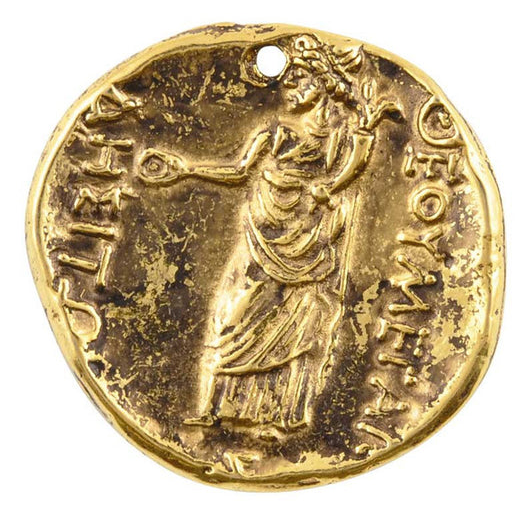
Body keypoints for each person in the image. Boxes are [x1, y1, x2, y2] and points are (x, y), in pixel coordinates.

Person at [138, 34, 402, 438]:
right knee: (231, 314)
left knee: (297, 321)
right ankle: (213, 408)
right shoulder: (274, 131)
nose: (289, 88)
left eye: (299, 80)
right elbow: (238, 171)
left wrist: (332, 183)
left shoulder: (341, 137)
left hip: (306, 238)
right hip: (264, 232)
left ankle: (277, 415)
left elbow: (352, 166)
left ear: (323, 84)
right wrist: (186, 168)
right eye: (289, 80)